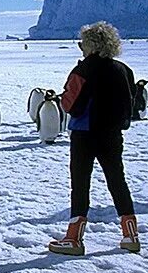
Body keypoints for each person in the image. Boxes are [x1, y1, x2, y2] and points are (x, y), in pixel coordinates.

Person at [48, 22, 140, 255]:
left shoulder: (84, 69)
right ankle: (130, 235)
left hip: (85, 134)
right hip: (112, 134)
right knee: (117, 180)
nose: (80, 47)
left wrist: (64, 98)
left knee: (80, 184)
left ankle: (74, 239)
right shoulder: (123, 69)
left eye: (83, 42)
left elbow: (71, 105)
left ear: (92, 45)